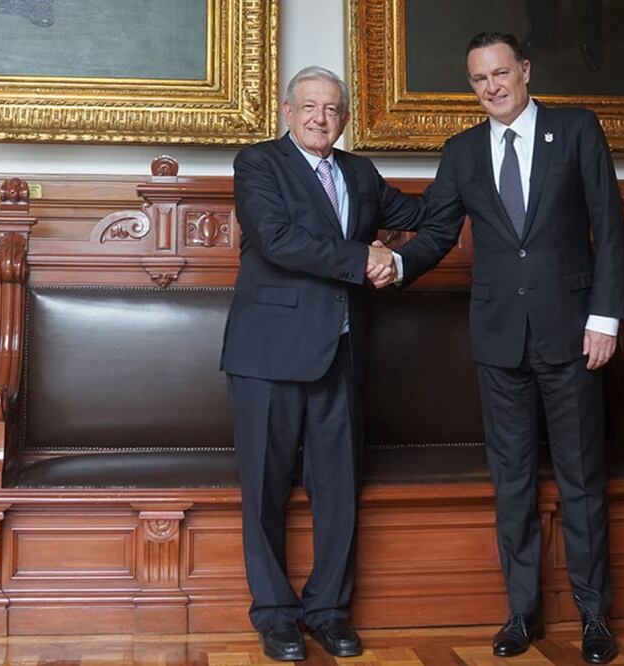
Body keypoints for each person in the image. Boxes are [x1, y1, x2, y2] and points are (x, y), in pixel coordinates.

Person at [393, 32, 624, 665]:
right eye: (478, 80)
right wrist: (393, 265)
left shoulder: (576, 130)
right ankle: (522, 613)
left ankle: (594, 615)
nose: (491, 87)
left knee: (581, 479)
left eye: (500, 73)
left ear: (524, 70)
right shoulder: (463, 151)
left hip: (574, 334)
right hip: (498, 341)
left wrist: (604, 319)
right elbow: (438, 230)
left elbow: (608, 226)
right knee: (513, 483)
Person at [221, 65, 426, 662]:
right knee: (264, 490)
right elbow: (277, 238)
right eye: (310, 107)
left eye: (333, 109)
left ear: (344, 118)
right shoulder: (258, 163)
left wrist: (471, 181)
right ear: (288, 112)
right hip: (267, 353)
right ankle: (276, 614)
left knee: (339, 490)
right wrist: (365, 256)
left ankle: (330, 611)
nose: (321, 118)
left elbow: (414, 213)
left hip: (342, 351)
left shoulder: (359, 172)